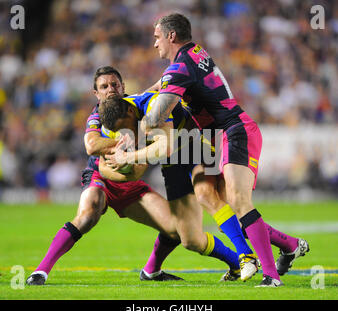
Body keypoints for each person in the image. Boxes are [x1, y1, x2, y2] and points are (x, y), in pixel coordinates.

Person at [140, 13, 309, 287]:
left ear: (171, 36)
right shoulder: (193, 53)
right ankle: (287, 245)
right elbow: (161, 86)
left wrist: (138, 125)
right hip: (217, 134)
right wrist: (134, 100)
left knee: (239, 203)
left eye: (157, 36)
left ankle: (270, 275)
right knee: (209, 196)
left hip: (236, 131)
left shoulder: (180, 68)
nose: (154, 43)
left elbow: (155, 117)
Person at [26, 67, 183, 285]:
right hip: (99, 175)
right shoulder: (96, 114)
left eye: (114, 85)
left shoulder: (137, 105)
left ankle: (151, 271)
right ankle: (40, 272)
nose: (110, 90)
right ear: (96, 93)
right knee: (89, 212)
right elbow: (91, 145)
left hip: (129, 181)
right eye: (104, 86)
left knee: (177, 229)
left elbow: (157, 91)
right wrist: (127, 141)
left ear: (123, 87)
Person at [101, 92, 258, 282]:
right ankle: (243, 261)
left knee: (209, 197)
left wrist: (127, 157)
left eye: (126, 125)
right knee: (190, 239)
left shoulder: (154, 105)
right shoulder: (112, 127)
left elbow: (164, 147)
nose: (128, 131)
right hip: (172, 163)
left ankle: (246, 255)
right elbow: (135, 171)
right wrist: (123, 168)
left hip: (197, 142)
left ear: (129, 110)